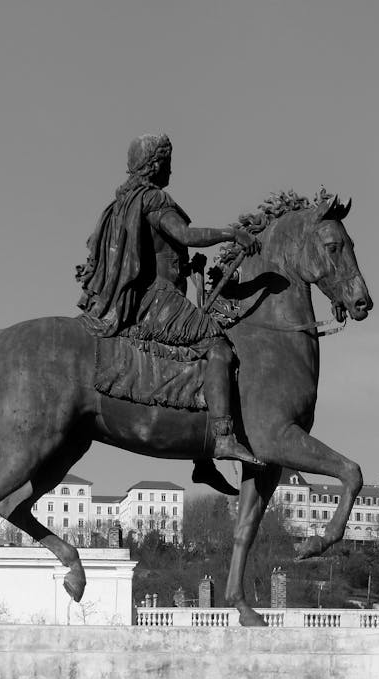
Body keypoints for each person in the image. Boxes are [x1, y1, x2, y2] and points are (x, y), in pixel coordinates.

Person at [76, 134, 258, 495]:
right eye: (168, 160)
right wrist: (231, 234)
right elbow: (184, 234)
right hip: (158, 300)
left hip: (140, 298)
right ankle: (222, 438)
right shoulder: (154, 198)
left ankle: (201, 461)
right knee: (219, 347)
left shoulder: (121, 203)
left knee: (194, 358)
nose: (172, 167)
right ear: (157, 163)